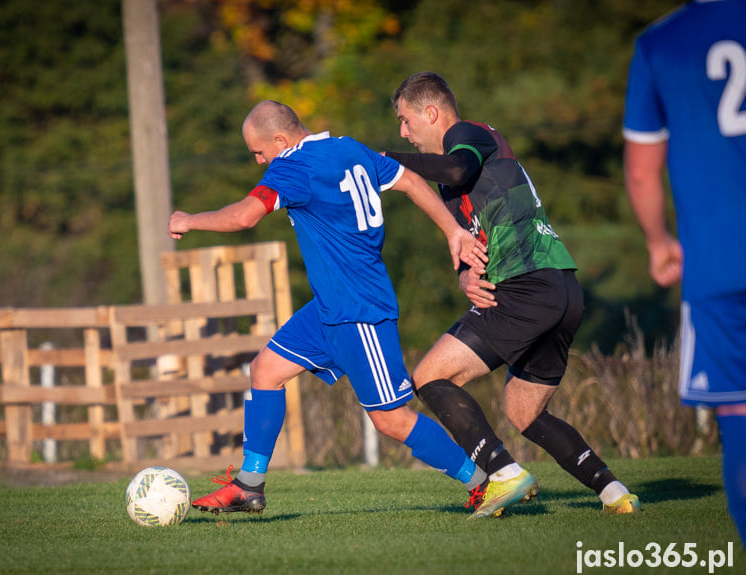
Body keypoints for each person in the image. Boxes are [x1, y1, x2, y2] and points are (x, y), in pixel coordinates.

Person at [167, 100, 534, 519]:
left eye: (259, 151)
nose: (259, 161)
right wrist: (452, 231)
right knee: (265, 370)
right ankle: (249, 485)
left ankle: (484, 482)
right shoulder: (352, 150)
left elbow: (246, 216)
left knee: (391, 420)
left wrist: (190, 220)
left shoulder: (292, 166)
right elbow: (413, 182)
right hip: (329, 306)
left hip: (360, 309)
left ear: (281, 140)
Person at [383, 72, 640, 514]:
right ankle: (615, 494)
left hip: (528, 286)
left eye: (406, 120)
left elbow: (458, 167)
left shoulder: (468, 135)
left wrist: (388, 160)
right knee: (525, 412)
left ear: (431, 113)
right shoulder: (454, 177)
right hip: (561, 290)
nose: (404, 131)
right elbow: (467, 237)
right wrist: (465, 275)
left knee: (429, 377)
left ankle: (502, 474)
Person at [623, 0, 746, 546]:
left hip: (718, 263)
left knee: (739, 424)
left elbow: (643, 172)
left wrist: (659, 242)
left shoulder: (661, 43)